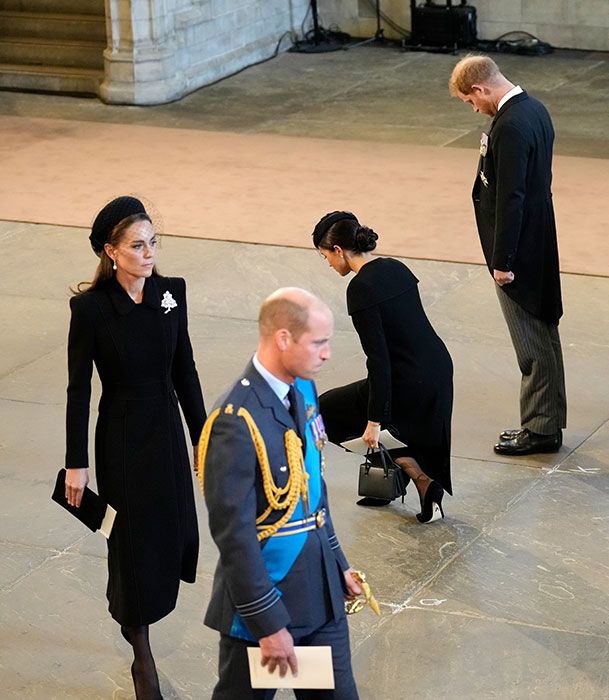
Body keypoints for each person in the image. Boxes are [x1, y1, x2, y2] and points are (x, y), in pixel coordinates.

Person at [64, 196, 206, 700]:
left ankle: (140, 609)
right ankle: (140, 652)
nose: (149, 253)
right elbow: (79, 387)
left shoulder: (172, 293)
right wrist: (75, 463)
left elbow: (184, 368)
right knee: (129, 540)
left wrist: (200, 434)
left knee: (173, 530)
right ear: (111, 251)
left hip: (166, 425)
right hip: (122, 435)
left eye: (153, 243)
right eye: (137, 245)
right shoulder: (91, 309)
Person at [199, 288, 360, 699]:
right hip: (267, 604)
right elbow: (234, 536)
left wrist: (337, 561)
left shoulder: (303, 390)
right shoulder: (235, 421)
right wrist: (268, 625)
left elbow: (312, 490)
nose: (326, 354)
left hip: (319, 593)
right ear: (283, 338)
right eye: (318, 343)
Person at [449, 54, 566, 456]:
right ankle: (547, 421)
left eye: (470, 101)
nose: (474, 109)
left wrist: (503, 260)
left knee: (531, 341)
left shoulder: (511, 125)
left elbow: (511, 197)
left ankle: (539, 430)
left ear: (480, 88)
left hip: (519, 250)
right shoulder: (534, 109)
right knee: (543, 332)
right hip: (538, 240)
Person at [312, 211, 453, 523]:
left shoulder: (360, 289)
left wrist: (375, 419)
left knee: (324, 413)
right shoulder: (395, 266)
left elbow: (379, 361)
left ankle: (422, 480)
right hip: (438, 368)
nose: (329, 265)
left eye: (325, 257)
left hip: (407, 378)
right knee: (393, 428)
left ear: (338, 250)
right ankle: (402, 480)